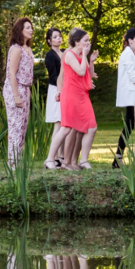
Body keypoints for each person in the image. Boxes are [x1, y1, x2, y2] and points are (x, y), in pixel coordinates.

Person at [58, 29, 98, 170]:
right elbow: (74, 73)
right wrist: (59, 91)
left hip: (82, 94)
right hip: (72, 94)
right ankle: (63, 161)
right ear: (77, 41)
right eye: (86, 40)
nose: (88, 43)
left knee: (89, 128)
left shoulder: (82, 55)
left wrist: (90, 60)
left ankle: (77, 161)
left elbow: (88, 74)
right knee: (71, 129)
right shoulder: (69, 54)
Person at [3, 17, 34, 167]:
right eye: (27, 27)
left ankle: (17, 161)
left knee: (23, 126)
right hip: (15, 89)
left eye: (31, 27)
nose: (31, 30)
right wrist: (16, 96)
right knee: (15, 126)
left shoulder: (28, 49)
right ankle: (12, 164)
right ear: (20, 30)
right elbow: (11, 74)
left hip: (25, 89)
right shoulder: (16, 48)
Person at [113, 28, 135, 169]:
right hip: (133, 96)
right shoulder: (127, 54)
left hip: (134, 95)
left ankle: (119, 158)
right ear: (129, 40)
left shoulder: (131, 54)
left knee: (131, 126)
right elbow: (133, 77)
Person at [44, 28, 64, 167]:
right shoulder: (50, 55)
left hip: (65, 89)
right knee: (58, 123)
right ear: (49, 41)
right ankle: (53, 158)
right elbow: (53, 76)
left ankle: (61, 156)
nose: (58, 38)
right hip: (56, 89)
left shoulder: (64, 53)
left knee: (64, 123)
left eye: (60, 36)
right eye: (55, 37)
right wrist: (63, 84)